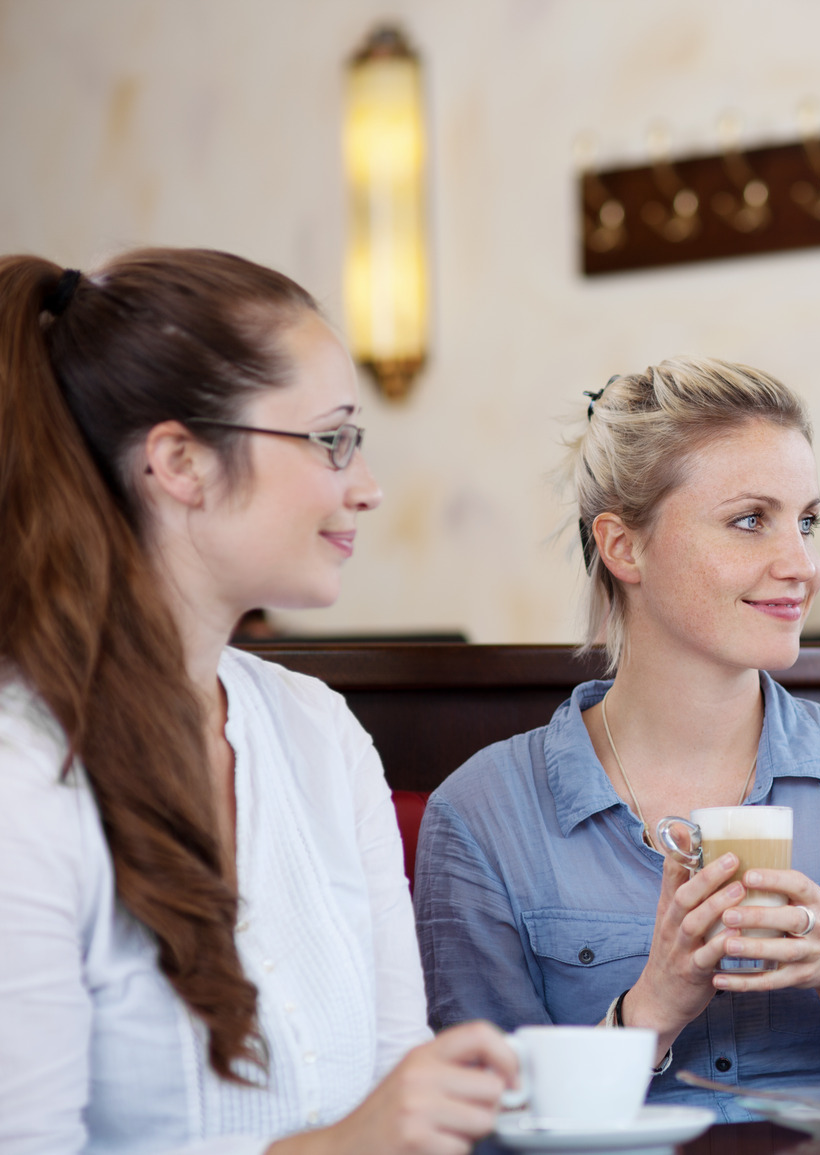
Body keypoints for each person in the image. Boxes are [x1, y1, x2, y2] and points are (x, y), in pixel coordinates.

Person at [0, 249, 518, 1154]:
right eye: (330, 439)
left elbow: (403, 1092)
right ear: (182, 463)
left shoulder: (319, 733)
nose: (366, 485)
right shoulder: (24, 779)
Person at [414, 358, 820, 1121]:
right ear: (624, 548)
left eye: (807, 520)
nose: (803, 564)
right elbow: (481, 1124)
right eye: (751, 519)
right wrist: (652, 1006)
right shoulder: (483, 815)